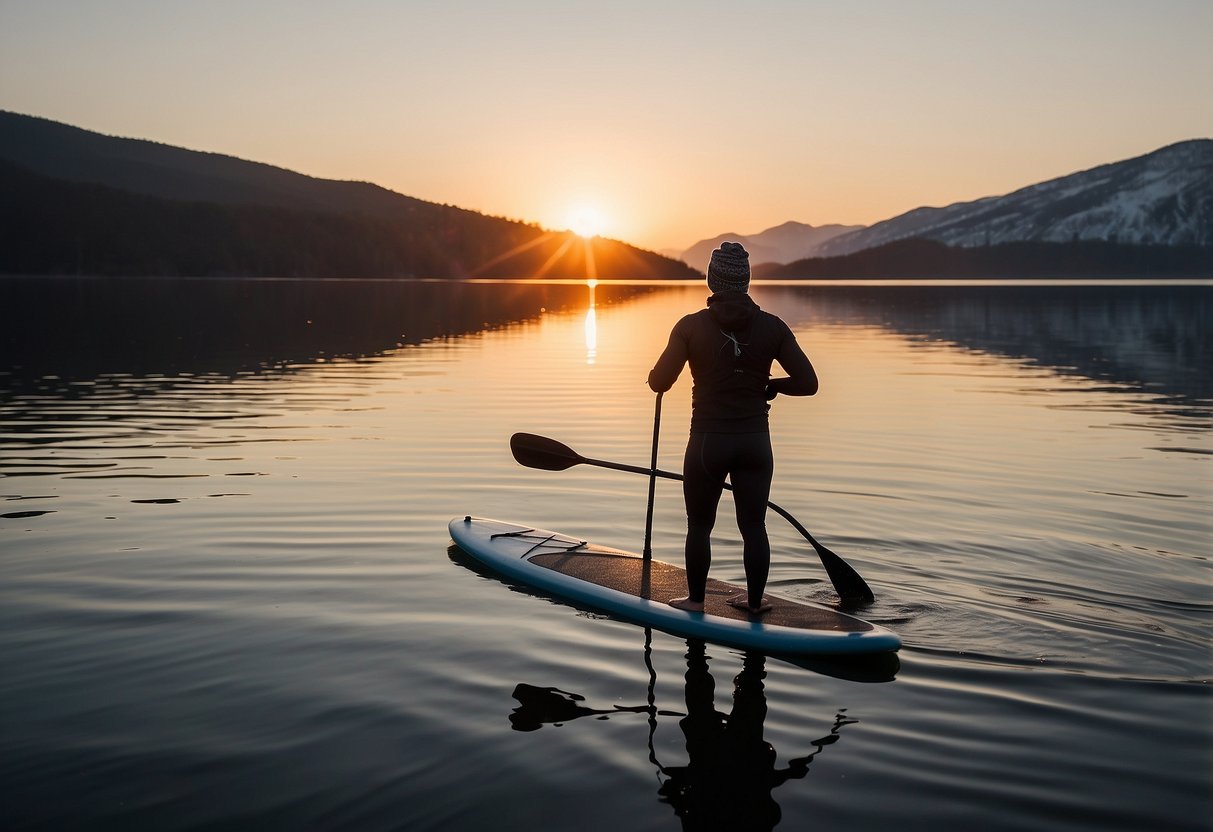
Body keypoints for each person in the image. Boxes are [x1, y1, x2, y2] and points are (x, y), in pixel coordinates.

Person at [647, 241, 818, 615]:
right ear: (746, 281)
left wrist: (659, 374)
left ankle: (695, 601)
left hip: (708, 443)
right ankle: (755, 603)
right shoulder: (773, 327)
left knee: (699, 525)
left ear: (712, 279)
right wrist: (773, 385)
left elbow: (659, 381)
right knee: (754, 526)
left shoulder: (690, 327)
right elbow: (808, 383)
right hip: (755, 444)